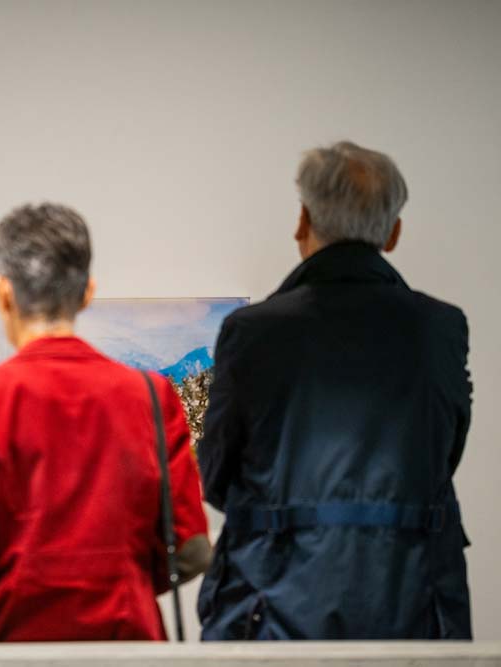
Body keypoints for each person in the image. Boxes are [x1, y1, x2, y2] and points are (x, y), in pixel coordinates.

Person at [197, 141, 473, 640]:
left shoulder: (253, 331)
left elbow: (217, 474)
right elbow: (441, 457)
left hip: (272, 610)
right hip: (410, 605)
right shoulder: (442, 329)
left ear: (303, 220)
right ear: (393, 233)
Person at [0, 203, 210, 642]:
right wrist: (126, 582)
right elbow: (192, 550)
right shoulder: (153, 398)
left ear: (3, 293)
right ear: (87, 292)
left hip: (13, 643)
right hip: (127, 639)